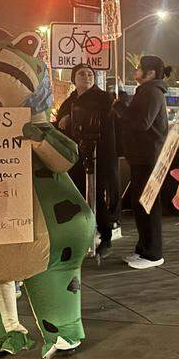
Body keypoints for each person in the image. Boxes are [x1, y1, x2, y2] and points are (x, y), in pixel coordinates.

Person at [114, 54, 171, 269]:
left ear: (151, 73)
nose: (135, 71)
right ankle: (143, 249)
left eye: (139, 68)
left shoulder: (151, 92)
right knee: (141, 204)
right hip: (141, 156)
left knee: (148, 205)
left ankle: (153, 253)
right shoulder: (147, 91)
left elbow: (142, 123)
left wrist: (121, 108)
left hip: (148, 157)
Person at [55, 63, 117, 257]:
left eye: (90, 74)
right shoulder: (71, 99)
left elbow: (102, 123)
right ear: (74, 79)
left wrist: (72, 119)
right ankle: (81, 236)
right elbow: (59, 122)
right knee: (77, 196)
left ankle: (105, 238)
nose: (87, 76)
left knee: (97, 196)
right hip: (75, 156)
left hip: (98, 156)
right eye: (82, 74)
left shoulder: (103, 99)